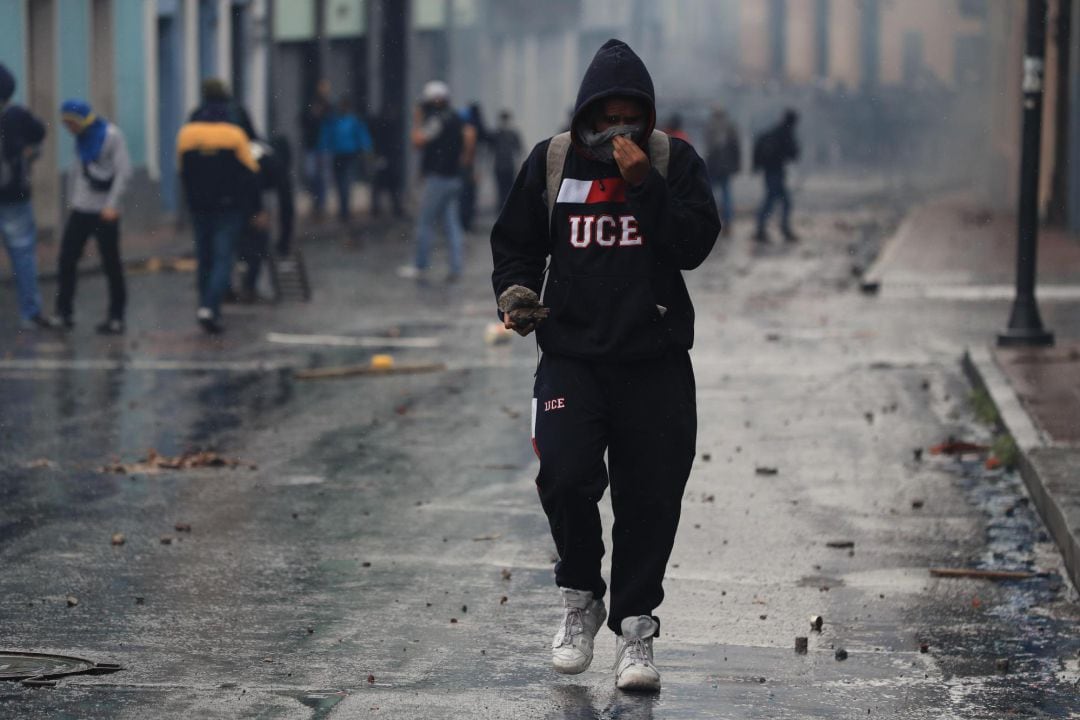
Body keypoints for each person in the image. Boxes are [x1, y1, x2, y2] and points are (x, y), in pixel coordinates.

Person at [490, 39, 720, 692]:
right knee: (564, 476)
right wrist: (514, 292)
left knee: (650, 498)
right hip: (572, 357)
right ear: (587, 112)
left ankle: (636, 630)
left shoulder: (674, 163)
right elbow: (516, 243)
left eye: (630, 116)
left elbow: (695, 244)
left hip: (654, 361)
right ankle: (581, 597)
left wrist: (644, 184)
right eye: (606, 116)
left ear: (646, 116)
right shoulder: (553, 161)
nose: (618, 129)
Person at [177, 106, 259, 334]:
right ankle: (210, 307)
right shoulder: (234, 135)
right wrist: (253, 207)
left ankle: (206, 306)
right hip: (228, 207)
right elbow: (250, 171)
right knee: (223, 259)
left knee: (204, 258)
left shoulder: (187, 134)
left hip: (199, 207)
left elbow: (183, 172)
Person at [54, 99, 132, 334]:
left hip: (105, 211)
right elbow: (76, 172)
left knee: (111, 265)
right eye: (65, 124)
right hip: (81, 209)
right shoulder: (80, 140)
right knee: (67, 260)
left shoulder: (111, 136)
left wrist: (112, 205)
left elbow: (123, 171)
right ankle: (63, 313)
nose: (69, 129)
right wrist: (71, 203)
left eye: (72, 123)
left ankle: (116, 317)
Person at [399, 81, 475, 283]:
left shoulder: (437, 120)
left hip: (439, 178)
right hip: (454, 177)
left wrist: (416, 121)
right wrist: (464, 160)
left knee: (425, 222)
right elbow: (470, 134)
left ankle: (420, 264)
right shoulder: (456, 117)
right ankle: (456, 267)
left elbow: (417, 140)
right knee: (452, 224)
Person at [0, 63, 52, 331]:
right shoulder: (16, 115)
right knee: (22, 254)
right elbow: (40, 133)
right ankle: (30, 312)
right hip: (14, 196)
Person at [321, 96, 373, 225]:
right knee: (341, 183)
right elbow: (326, 136)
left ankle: (345, 210)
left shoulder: (352, 121)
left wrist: (366, 149)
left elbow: (362, 136)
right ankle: (343, 209)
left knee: (346, 183)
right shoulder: (335, 121)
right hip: (338, 155)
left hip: (349, 155)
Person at [752, 108, 800, 243]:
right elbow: (793, 153)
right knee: (777, 201)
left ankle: (763, 229)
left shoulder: (776, 131)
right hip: (775, 172)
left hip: (771, 171)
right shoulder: (785, 132)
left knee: (772, 200)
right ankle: (776, 229)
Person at [705, 105, 741, 235]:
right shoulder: (730, 126)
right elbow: (736, 147)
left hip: (713, 165)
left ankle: (708, 220)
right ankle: (727, 223)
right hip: (726, 166)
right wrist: (737, 165)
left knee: (710, 194)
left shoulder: (710, 126)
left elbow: (708, 148)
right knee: (726, 194)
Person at [299, 79, 331, 218]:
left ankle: (321, 204)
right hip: (312, 145)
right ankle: (315, 200)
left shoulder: (328, 107)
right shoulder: (309, 104)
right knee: (311, 173)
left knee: (322, 176)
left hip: (323, 146)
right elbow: (303, 120)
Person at [189, 78, 257, 140]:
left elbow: (190, 134)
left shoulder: (198, 113)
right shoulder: (236, 110)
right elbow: (250, 135)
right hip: (232, 147)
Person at [369, 106, 405, 219]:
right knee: (389, 185)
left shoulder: (382, 125)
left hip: (385, 157)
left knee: (382, 184)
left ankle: (378, 208)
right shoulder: (390, 126)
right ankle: (392, 208)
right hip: (387, 157)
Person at [459, 102, 489, 232]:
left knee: (465, 195)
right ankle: (466, 221)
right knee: (468, 195)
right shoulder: (478, 129)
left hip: (466, 168)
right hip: (470, 168)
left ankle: (464, 221)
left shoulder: (466, 127)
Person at [491, 109, 523, 209]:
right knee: (501, 188)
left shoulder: (513, 134)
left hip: (509, 166)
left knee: (509, 188)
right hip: (499, 166)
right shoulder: (496, 134)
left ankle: (507, 207)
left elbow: (519, 151)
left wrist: (519, 166)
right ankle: (502, 207)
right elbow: (490, 151)